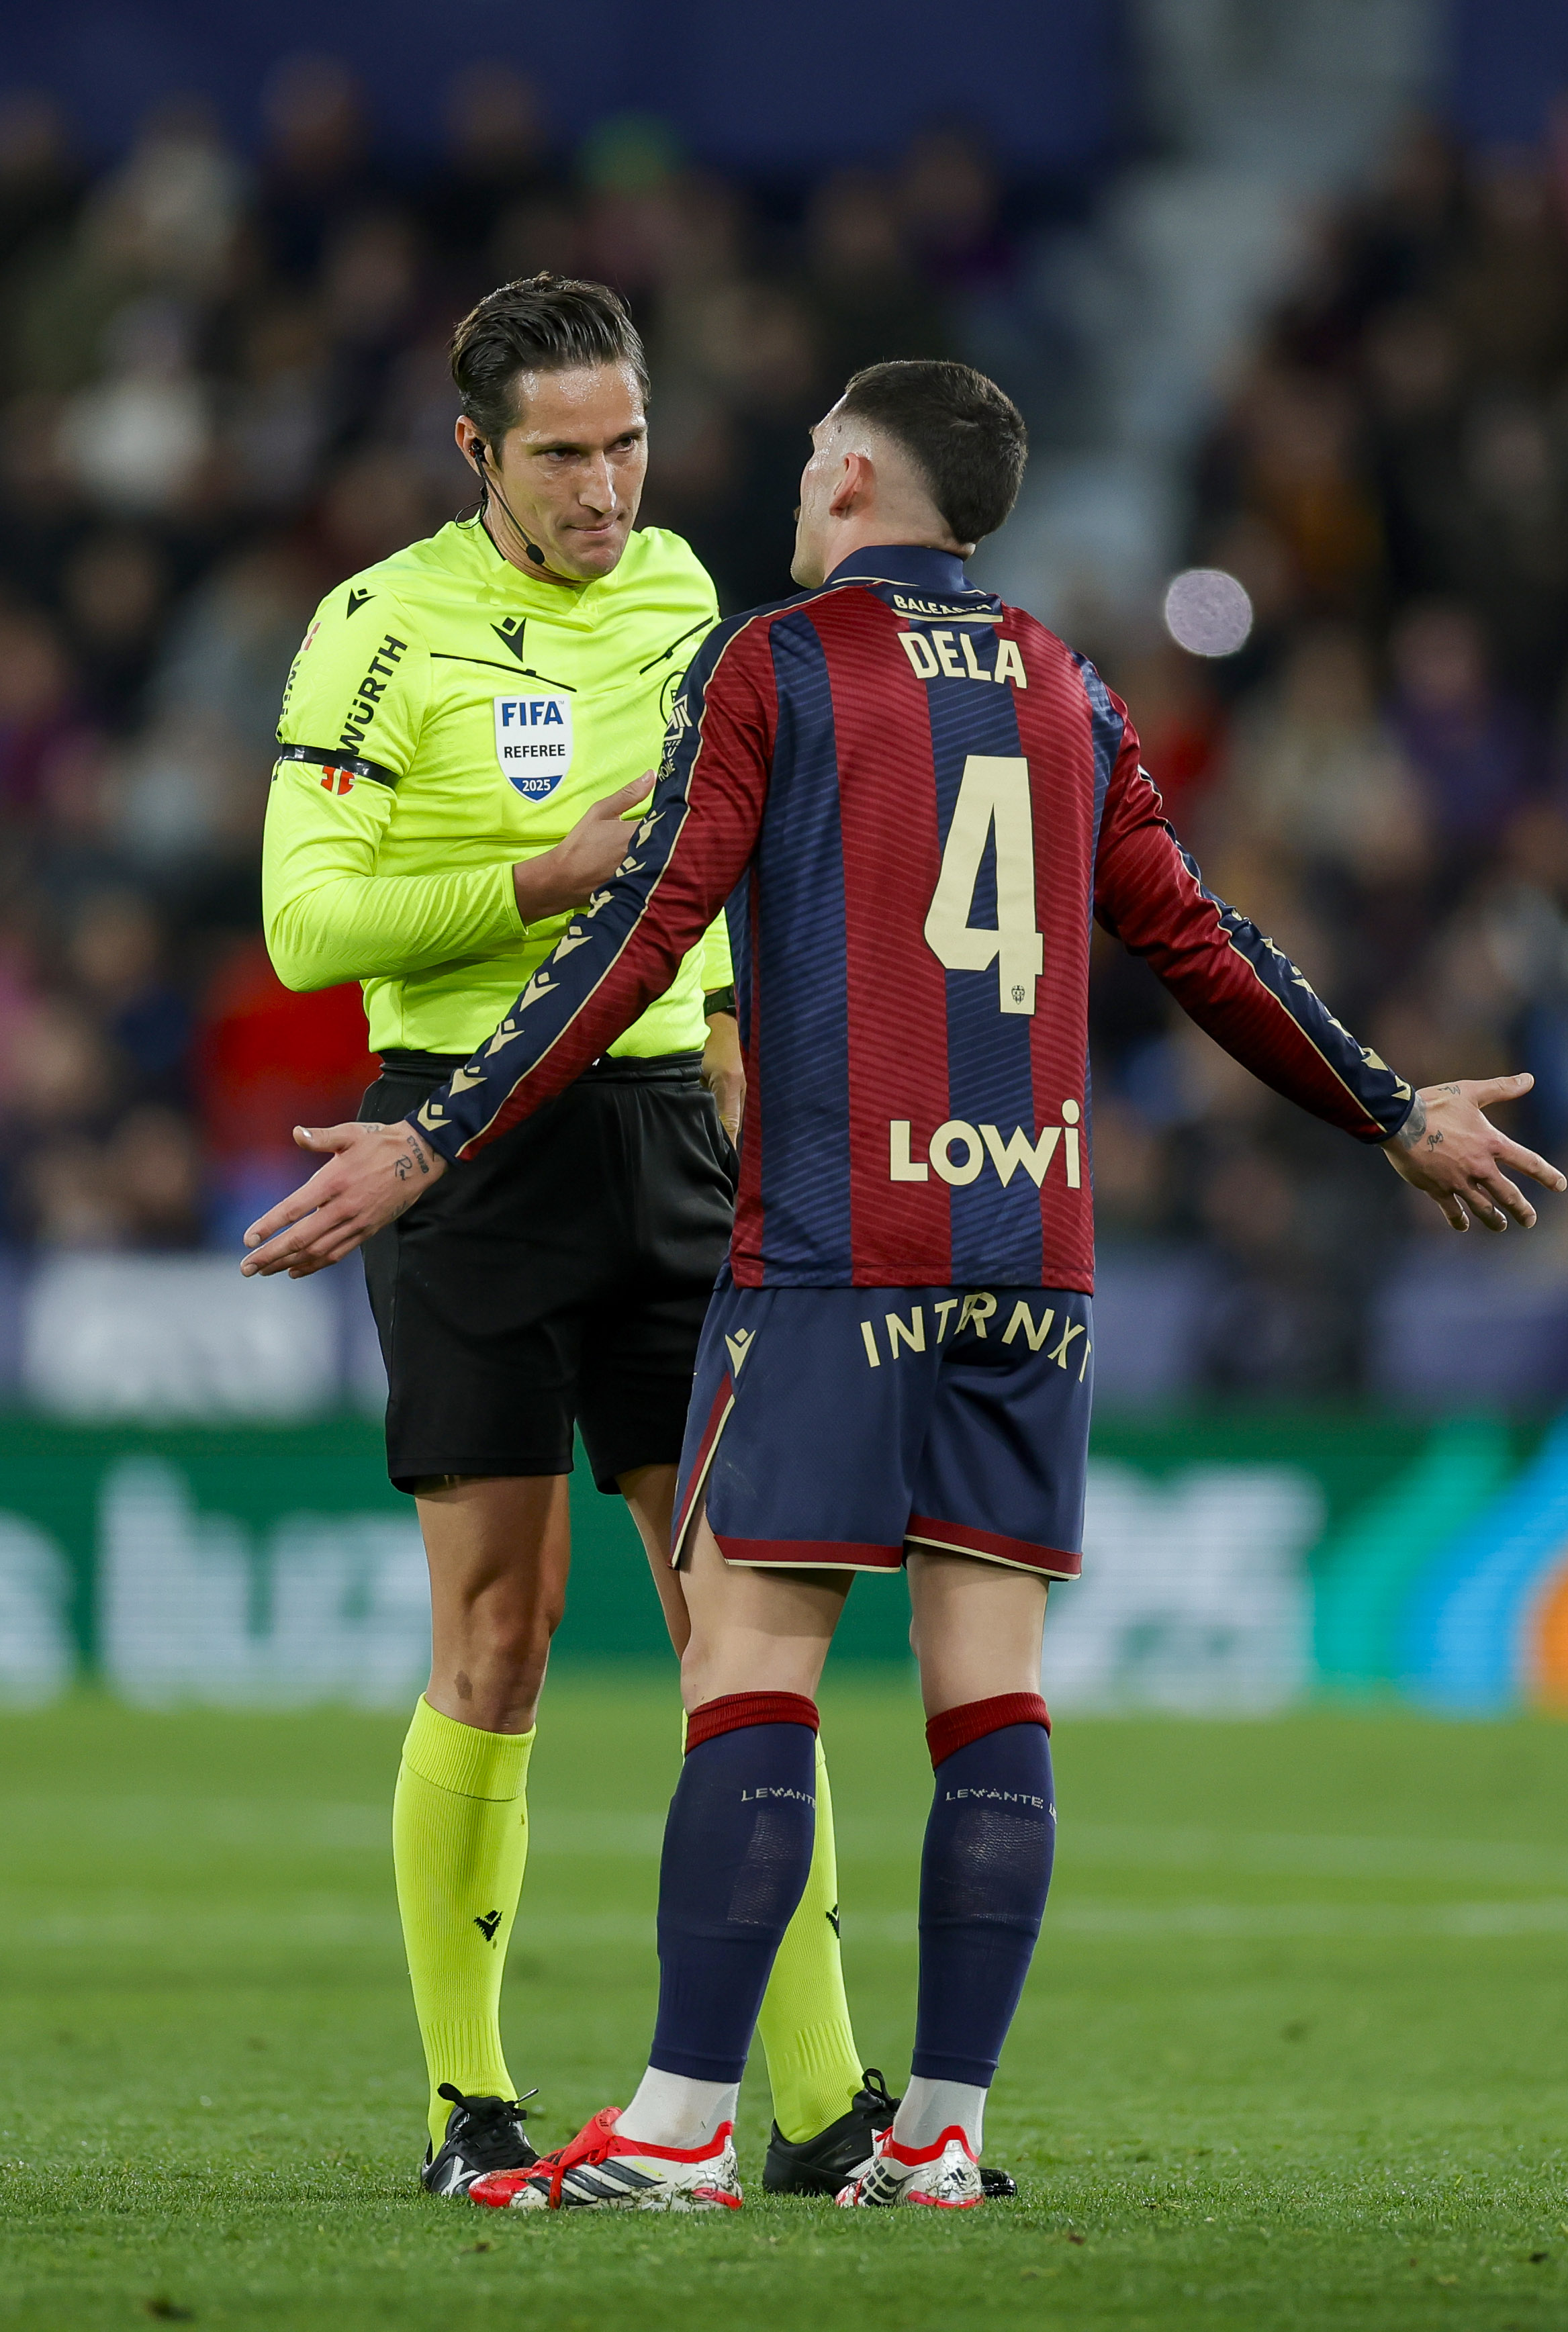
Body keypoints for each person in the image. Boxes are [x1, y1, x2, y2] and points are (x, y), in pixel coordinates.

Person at [242, 358, 1563, 2208]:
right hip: (1037, 1246)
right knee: (989, 1695)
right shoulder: (1062, 680)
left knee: (752, 1666)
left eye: (804, 458)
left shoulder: (771, 663)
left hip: (834, 1250)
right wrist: (1389, 1105)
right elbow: (1196, 932)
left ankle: (685, 2121)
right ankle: (936, 2131)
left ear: (855, 476)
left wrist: (434, 1135)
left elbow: (635, 945)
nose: (784, 481)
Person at [255, 273, 887, 2200]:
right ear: (476, 454)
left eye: (625, 441)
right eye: (561, 453)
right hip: (456, 1148)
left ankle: (826, 2116)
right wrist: (551, 869)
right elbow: (308, 926)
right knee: (503, 1637)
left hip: (664, 1149)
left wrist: (713, 1033)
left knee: (741, 1631)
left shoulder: (691, 593)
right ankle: (473, 2104)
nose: (606, 484)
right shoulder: (376, 629)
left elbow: (721, 873)